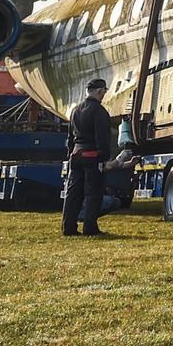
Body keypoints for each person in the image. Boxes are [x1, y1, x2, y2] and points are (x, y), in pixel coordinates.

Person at [62, 78, 114, 237]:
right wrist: (105, 158)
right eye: (104, 91)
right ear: (99, 91)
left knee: (73, 193)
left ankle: (68, 227)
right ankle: (90, 227)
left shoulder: (75, 110)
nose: (104, 94)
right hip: (92, 156)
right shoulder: (99, 111)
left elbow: (70, 137)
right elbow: (102, 138)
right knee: (93, 193)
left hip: (76, 155)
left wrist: (70, 154)